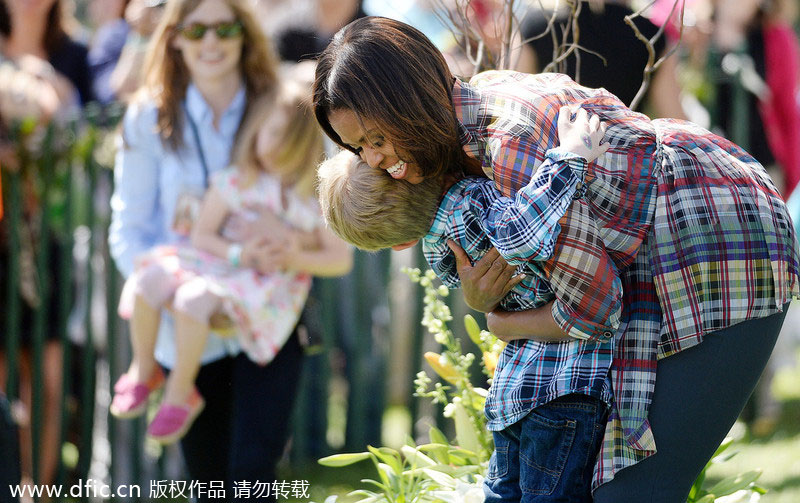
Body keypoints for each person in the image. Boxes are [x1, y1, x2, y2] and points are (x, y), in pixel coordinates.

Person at [312, 16, 800, 502]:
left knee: (634, 492)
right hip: (648, 256)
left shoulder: (510, 147)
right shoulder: (457, 131)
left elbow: (597, 308)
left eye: (377, 139)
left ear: (412, 99)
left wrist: (501, 323)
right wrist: (486, 296)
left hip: (717, 237)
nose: (372, 161)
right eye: (357, 148)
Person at [109, 0, 351, 498]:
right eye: (196, 31)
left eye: (224, 28)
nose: (212, 42)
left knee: (253, 479)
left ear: (246, 33)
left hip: (270, 317)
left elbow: (324, 209)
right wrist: (178, 290)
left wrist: (285, 241)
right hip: (192, 324)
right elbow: (129, 230)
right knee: (209, 481)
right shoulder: (148, 117)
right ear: (174, 37)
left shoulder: (284, 101)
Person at [318, 108, 611, 499]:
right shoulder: (463, 203)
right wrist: (570, 155)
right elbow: (519, 232)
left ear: (402, 242)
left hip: (516, 388)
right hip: (564, 382)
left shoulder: (437, 246)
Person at [111, 82, 343, 445]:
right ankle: (143, 369)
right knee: (146, 279)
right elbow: (202, 236)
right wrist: (242, 254)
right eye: (271, 132)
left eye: (288, 137)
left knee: (192, 301)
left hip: (256, 286)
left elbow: (339, 259)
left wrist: (290, 254)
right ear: (255, 130)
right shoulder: (238, 181)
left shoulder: (308, 199)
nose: (277, 145)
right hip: (217, 265)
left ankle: (180, 393)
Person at [517, 0, 686, 119]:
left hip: (552, 162)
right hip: (623, 163)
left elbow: (515, 105)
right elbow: (673, 116)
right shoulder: (651, 35)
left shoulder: (536, 27)